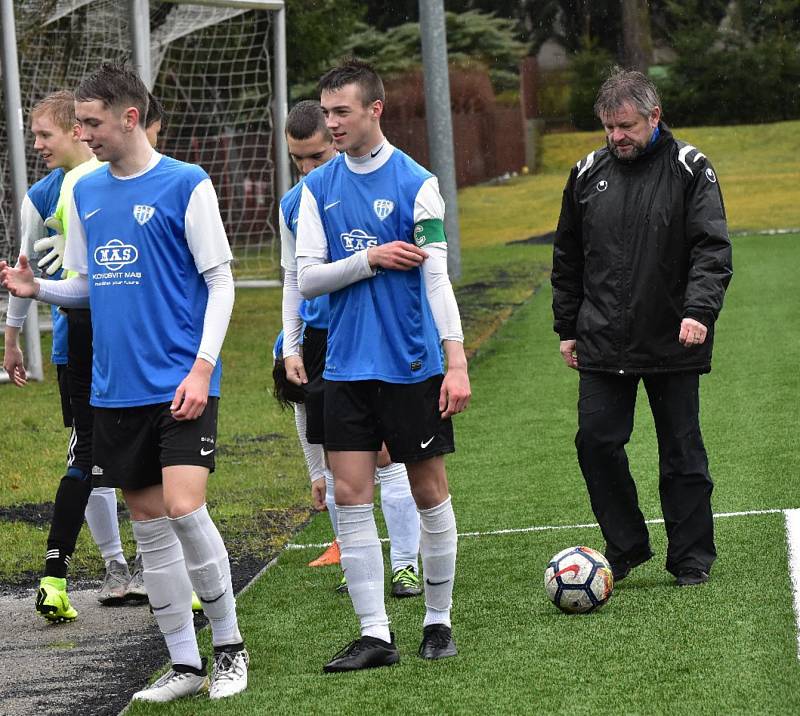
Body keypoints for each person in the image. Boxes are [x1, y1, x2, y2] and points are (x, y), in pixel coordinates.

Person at [1, 64, 247, 701]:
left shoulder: (186, 184)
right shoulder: (83, 192)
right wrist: (38, 289)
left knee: (185, 508)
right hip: (114, 389)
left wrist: (202, 368)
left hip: (182, 382)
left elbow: (221, 283)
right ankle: (185, 667)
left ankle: (230, 649)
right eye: (78, 123)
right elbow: (86, 286)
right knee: (150, 528)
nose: (83, 134)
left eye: (91, 122)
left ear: (129, 118)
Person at [296, 59, 471, 672]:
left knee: (428, 490)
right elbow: (310, 279)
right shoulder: (316, 190)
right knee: (349, 494)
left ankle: (437, 619)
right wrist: (369, 258)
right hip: (344, 368)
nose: (332, 123)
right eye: (326, 112)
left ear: (376, 109)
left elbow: (437, 280)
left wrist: (456, 361)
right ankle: (375, 633)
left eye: (342, 111)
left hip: (410, 366)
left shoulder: (417, 183)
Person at [551, 67, 732, 588]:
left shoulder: (691, 168)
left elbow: (711, 248)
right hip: (602, 336)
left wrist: (698, 312)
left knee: (681, 449)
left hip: (675, 335)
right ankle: (626, 546)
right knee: (595, 441)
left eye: (626, 126)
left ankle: (692, 557)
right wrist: (568, 326)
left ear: (655, 116)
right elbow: (568, 256)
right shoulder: (587, 172)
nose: (616, 137)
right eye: (608, 127)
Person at [279, 100, 422, 598]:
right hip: (320, 342)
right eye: (297, 160)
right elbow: (293, 279)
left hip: (369, 331)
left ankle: (405, 563)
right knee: (339, 464)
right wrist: (290, 344)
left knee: (386, 454)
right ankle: (357, 562)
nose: (306, 170)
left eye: (315, 157)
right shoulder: (295, 202)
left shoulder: (372, 183)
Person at [2, 90, 131, 618]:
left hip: (121, 337)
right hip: (75, 339)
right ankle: (117, 564)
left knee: (107, 453)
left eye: (45, 135)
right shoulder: (43, 193)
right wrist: (11, 335)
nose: (37, 145)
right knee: (93, 453)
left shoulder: (104, 181)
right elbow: (23, 267)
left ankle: (136, 565)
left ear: (78, 131)